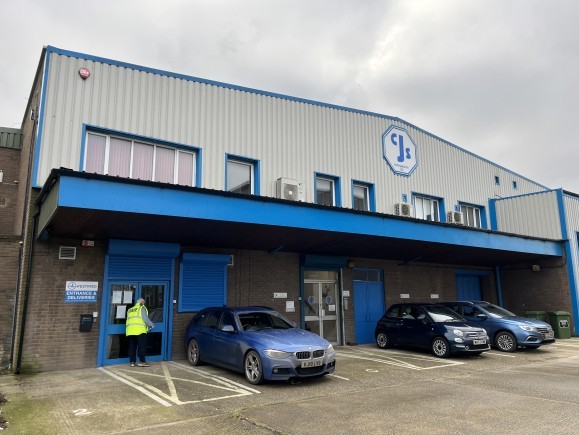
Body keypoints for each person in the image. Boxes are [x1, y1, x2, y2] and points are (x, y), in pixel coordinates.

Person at [126, 297, 155, 367]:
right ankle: (142, 361)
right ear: (142, 303)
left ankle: (132, 362)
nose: (144, 304)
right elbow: (145, 319)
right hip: (140, 330)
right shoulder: (141, 308)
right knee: (142, 346)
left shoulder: (130, 309)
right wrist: (151, 325)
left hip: (130, 331)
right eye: (144, 303)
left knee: (132, 347)